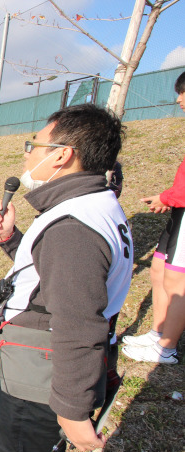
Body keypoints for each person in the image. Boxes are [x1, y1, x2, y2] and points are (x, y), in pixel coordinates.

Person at [0, 103, 132, 452]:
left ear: (62, 155)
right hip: (42, 367)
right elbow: (52, 278)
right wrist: (11, 239)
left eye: (34, 143)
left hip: (38, 375)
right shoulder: (92, 207)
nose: (28, 153)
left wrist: (71, 407)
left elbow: (78, 322)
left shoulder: (73, 226)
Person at [122, 71, 185, 365]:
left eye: (183, 92)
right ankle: (158, 332)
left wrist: (169, 198)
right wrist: (168, 197)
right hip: (178, 211)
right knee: (159, 268)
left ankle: (167, 348)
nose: (179, 99)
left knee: (178, 282)